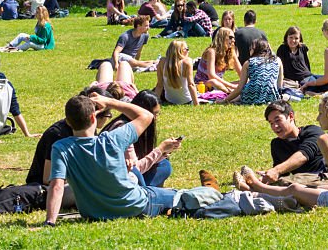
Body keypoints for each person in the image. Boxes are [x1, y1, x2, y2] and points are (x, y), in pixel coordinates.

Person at [44, 93, 209, 223]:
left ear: (68, 122)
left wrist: (50, 221)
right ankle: (218, 194)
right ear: (93, 117)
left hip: (94, 213)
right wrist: (110, 102)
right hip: (134, 205)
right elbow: (146, 116)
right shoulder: (112, 139)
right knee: (182, 195)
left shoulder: (61, 148)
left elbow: (57, 186)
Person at [233, 84, 328, 212]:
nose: (318, 118)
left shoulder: (326, 140)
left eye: (320, 113)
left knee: (294, 189)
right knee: (309, 187)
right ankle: (253, 189)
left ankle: (257, 188)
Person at [26, 86, 117, 185]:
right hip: (45, 189)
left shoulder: (89, 129)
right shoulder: (57, 135)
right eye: (108, 114)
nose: (108, 118)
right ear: (94, 116)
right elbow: (48, 178)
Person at [100, 91, 183, 187]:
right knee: (163, 167)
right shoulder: (125, 131)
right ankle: (146, 193)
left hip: (125, 175)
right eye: (154, 114)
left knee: (164, 164)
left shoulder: (129, 124)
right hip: (120, 180)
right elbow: (135, 170)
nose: (155, 118)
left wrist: (164, 151)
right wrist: (160, 149)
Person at [222, 39, 282, 105]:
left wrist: (224, 100)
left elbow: (240, 88)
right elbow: (279, 86)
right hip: (271, 96)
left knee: (248, 89)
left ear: (253, 49)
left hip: (250, 95)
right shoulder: (278, 60)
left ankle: (231, 101)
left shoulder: (249, 62)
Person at [194, 28, 241, 93]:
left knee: (244, 81)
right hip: (203, 84)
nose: (233, 40)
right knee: (213, 82)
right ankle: (232, 93)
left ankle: (233, 92)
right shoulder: (211, 51)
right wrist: (231, 86)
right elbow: (211, 75)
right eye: (230, 37)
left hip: (219, 85)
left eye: (233, 38)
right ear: (222, 38)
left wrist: (247, 82)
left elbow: (241, 73)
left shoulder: (230, 53)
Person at [155, 41, 199, 106]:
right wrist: (196, 103)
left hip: (169, 99)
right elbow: (191, 84)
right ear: (180, 51)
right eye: (187, 49)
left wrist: (155, 103)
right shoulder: (187, 62)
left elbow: (159, 85)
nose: (188, 51)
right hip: (186, 100)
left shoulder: (162, 62)